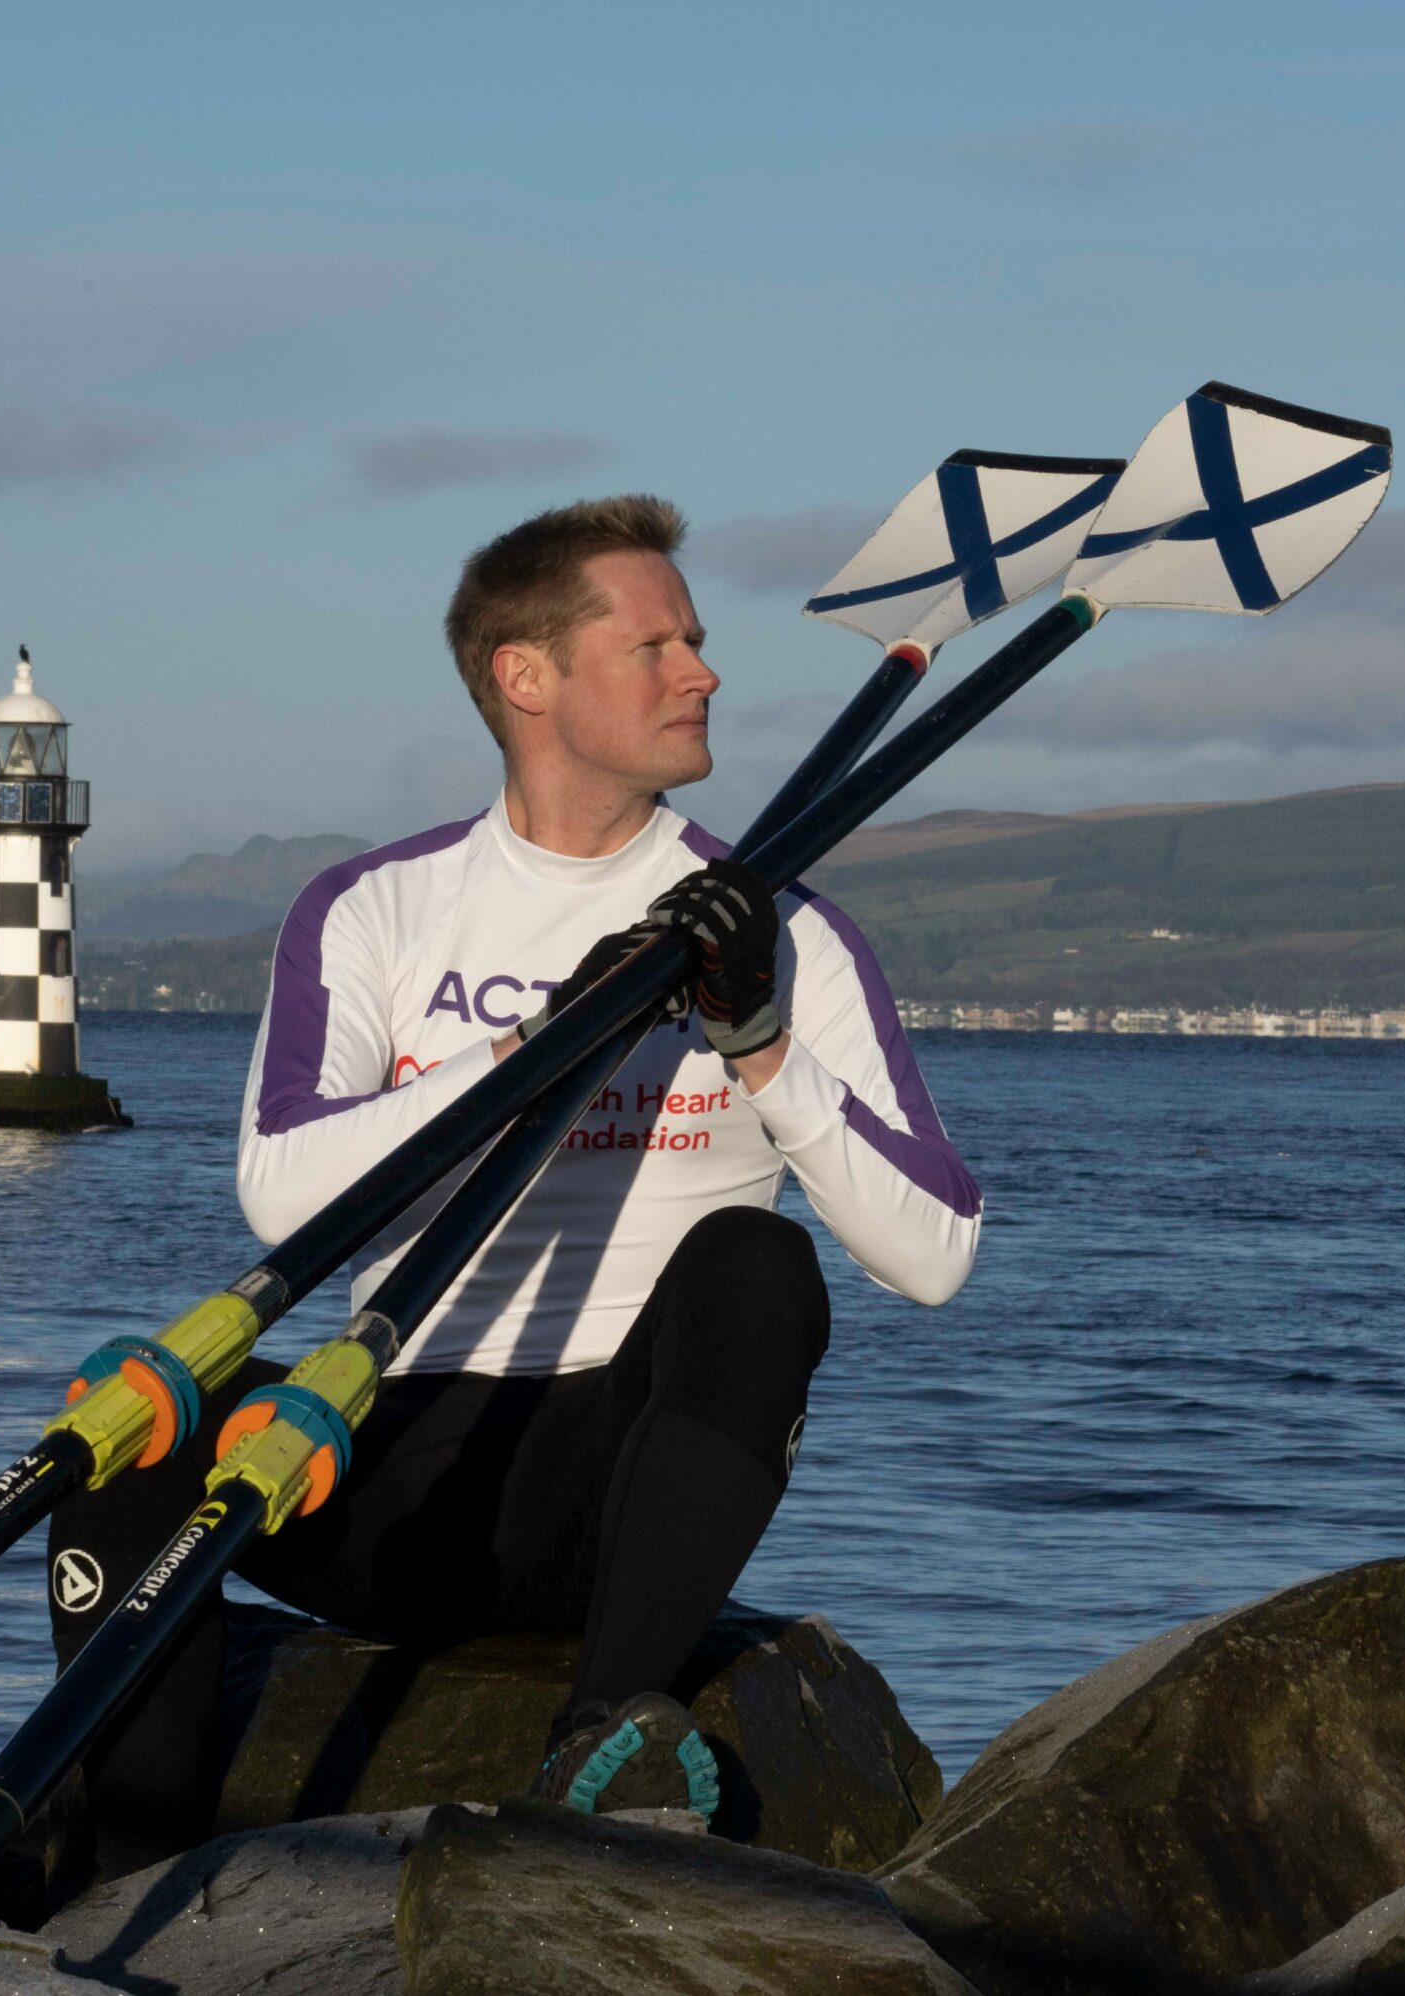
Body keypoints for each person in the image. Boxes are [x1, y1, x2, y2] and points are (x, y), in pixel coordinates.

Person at [48, 495, 978, 1856]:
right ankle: (124, 1849)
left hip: (615, 1486)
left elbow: (936, 1253)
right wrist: (533, 1046)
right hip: (392, 1459)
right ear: (525, 676)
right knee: (136, 1417)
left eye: (699, 642)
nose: (704, 672)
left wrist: (762, 1044)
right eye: (656, 646)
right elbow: (283, 1192)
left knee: (758, 1263)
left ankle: (603, 1733)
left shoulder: (786, 934)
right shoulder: (374, 907)